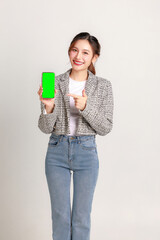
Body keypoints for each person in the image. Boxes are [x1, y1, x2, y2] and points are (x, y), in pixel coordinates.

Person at [37, 32, 114, 240]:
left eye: (85, 52)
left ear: (94, 57)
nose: (78, 56)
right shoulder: (55, 82)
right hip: (56, 151)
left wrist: (86, 107)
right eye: (74, 50)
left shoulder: (103, 86)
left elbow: (106, 127)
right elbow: (45, 128)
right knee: (60, 216)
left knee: (81, 217)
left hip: (86, 152)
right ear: (69, 51)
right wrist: (49, 107)